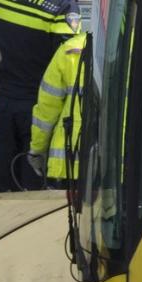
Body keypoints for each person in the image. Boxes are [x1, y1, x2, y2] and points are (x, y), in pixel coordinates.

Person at [0, 0, 78, 192]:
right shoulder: (62, 8)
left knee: (3, 189)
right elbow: (68, 63)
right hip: (42, 111)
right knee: (35, 192)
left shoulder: (2, 2)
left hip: (6, 107)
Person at [26, 16, 85, 189]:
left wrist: (37, 151)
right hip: (125, 169)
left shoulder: (69, 50)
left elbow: (47, 111)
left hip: (70, 163)